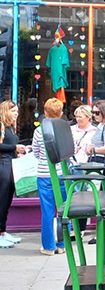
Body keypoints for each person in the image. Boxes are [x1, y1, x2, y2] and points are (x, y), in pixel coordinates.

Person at [31, 98, 66, 255]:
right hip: (61, 174)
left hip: (44, 174)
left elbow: (36, 153)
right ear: (61, 113)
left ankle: (49, 246)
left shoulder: (39, 131)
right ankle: (62, 244)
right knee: (63, 209)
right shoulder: (65, 129)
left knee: (47, 211)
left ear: (45, 112)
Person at [0, 100, 26, 249]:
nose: (16, 114)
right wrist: (14, 147)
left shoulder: (10, 128)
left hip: (11, 164)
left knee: (7, 199)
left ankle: (3, 231)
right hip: (4, 165)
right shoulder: (2, 126)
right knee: (2, 200)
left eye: (17, 111)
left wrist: (18, 150)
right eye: (13, 111)